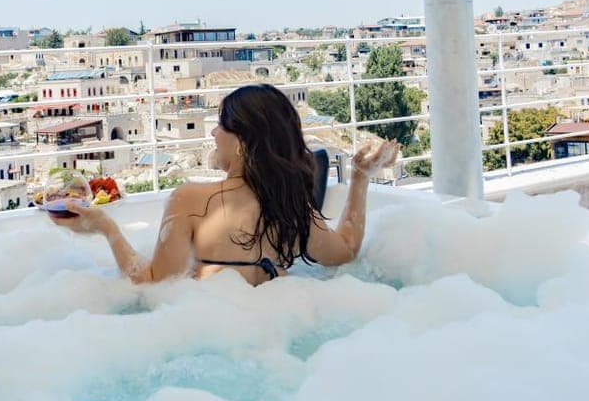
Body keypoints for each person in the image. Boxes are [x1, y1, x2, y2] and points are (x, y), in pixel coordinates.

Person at [50, 83, 399, 285]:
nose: (214, 133)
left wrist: (105, 228)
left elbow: (151, 284)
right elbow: (346, 250)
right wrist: (360, 178)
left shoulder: (190, 201)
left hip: (212, 333)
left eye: (221, 125)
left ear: (244, 142)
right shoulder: (292, 209)